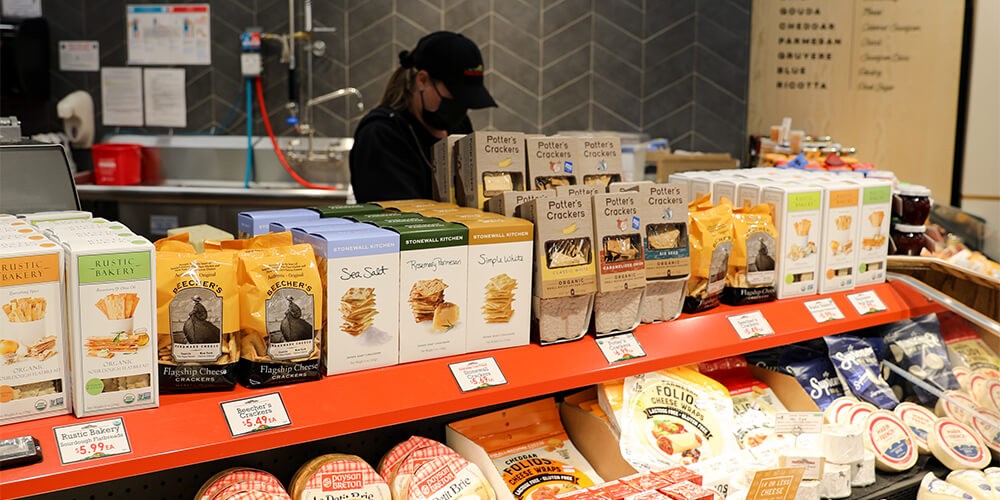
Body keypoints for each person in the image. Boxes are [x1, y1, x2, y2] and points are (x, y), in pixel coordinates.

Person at [349, 31, 497, 203]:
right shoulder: (382, 135)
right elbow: (398, 221)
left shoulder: (459, 126)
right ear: (422, 80)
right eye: (454, 96)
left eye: (466, 101)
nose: (460, 107)